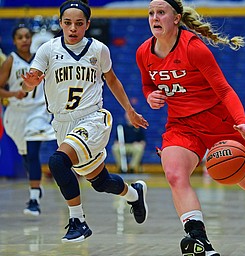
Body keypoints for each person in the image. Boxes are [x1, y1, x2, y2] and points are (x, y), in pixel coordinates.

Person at [136, 1, 245, 255]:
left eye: (161, 13)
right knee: (175, 175)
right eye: (151, 13)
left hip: (218, 121)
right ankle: (199, 241)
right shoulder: (143, 52)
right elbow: (147, 85)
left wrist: (242, 123)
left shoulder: (194, 48)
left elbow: (224, 89)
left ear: (176, 18)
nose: (154, 18)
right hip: (181, 124)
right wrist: (150, 96)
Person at [21, 0, 149, 243]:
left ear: (87, 25)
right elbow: (29, 83)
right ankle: (134, 193)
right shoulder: (47, 49)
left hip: (92, 120)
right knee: (100, 182)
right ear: (60, 23)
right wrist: (30, 82)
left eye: (79, 24)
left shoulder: (98, 50)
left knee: (58, 162)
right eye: (67, 23)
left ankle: (78, 221)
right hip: (62, 124)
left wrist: (130, 110)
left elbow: (112, 81)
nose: (72, 29)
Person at [0, 24, 56, 216]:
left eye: (27, 36)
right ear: (14, 41)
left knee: (33, 152)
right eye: (20, 37)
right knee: (25, 154)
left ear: (31, 39)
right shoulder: (10, 61)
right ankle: (36, 187)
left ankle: (33, 198)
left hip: (38, 111)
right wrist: (13, 93)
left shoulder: (41, 61)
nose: (24, 40)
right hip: (16, 113)